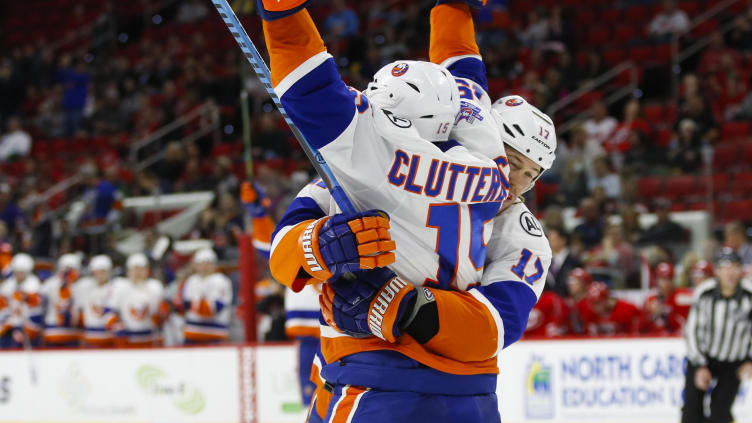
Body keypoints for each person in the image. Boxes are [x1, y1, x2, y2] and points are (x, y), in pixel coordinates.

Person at [260, 1, 554, 421]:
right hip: (460, 396)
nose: (518, 180)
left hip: (375, 378)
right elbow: (463, 75)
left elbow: (496, 328)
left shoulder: (369, 164)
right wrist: (318, 245)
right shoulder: (484, 151)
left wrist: (405, 305)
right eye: (514, 159)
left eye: (532, 172)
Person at [682, 249, 752, 423]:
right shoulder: (704, 293)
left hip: (734, 362)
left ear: (741, 270)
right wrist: (699, 365)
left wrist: (750, 361)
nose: (730, 272)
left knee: (720, 412)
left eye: (735, 267)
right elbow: (692, 330)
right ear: (717, 271)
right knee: (691, 412)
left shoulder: (749, 295)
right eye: (725, 267)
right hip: (704, 357)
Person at [105, 253, 168, 347]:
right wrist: (118, 329)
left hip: (151, 339)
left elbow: (163, 312)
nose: (138, 272)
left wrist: (162, 315)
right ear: (128, 271)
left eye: (141, 269)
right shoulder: (120, 287)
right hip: (127, 340)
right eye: (135, 269)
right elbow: (108, 313)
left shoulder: (155, 287)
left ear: (147, 271)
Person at [176, 248, 232, 344]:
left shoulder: (222, 281)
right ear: (195, 265)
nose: (205, 266)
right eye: (201, 263)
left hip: (215, 333)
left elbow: (214, 308)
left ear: (214, 265)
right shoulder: (190, 281)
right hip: (192, 333)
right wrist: (197, 305)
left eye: (208, 263)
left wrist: (194, 305)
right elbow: (182, 305)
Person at [74, 255, 118, 347]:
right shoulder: (85, 287)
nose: (100, 275)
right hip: (90, 337)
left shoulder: (116, 287)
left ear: (109, 272)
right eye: (97, 272)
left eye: (103, 271)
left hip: (109, 339)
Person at [40, 253, 83, 347]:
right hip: (53, 329)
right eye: (65, 269)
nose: (67, 273)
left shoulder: (81, 286)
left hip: (72, 332)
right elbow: (41, 306)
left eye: (70, 270)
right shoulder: (49, 285)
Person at [0, 253, 42, 348]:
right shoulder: (8, 284)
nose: (19, 275)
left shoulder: (34, 283)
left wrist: (26, 298)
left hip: (28, 323)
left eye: (22, 272)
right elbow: (3, 305)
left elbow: (36, 306)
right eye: (17, 272)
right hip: (12, 321)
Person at [639, 262, 692, 335]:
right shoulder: (650, 300)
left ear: (673, 280)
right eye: (662, 279)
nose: (665, 283)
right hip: (654, 341)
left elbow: (684, 326)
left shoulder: (682, 296)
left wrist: (663, 313)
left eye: (668, 279)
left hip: (677, 341)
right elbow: (641, 329)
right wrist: (650, 316)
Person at [545, 226, 582, 298]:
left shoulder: (574, 261)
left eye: (553, 239)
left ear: (563, 240)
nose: (549, 242)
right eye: (548, 239)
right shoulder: (546, 261)